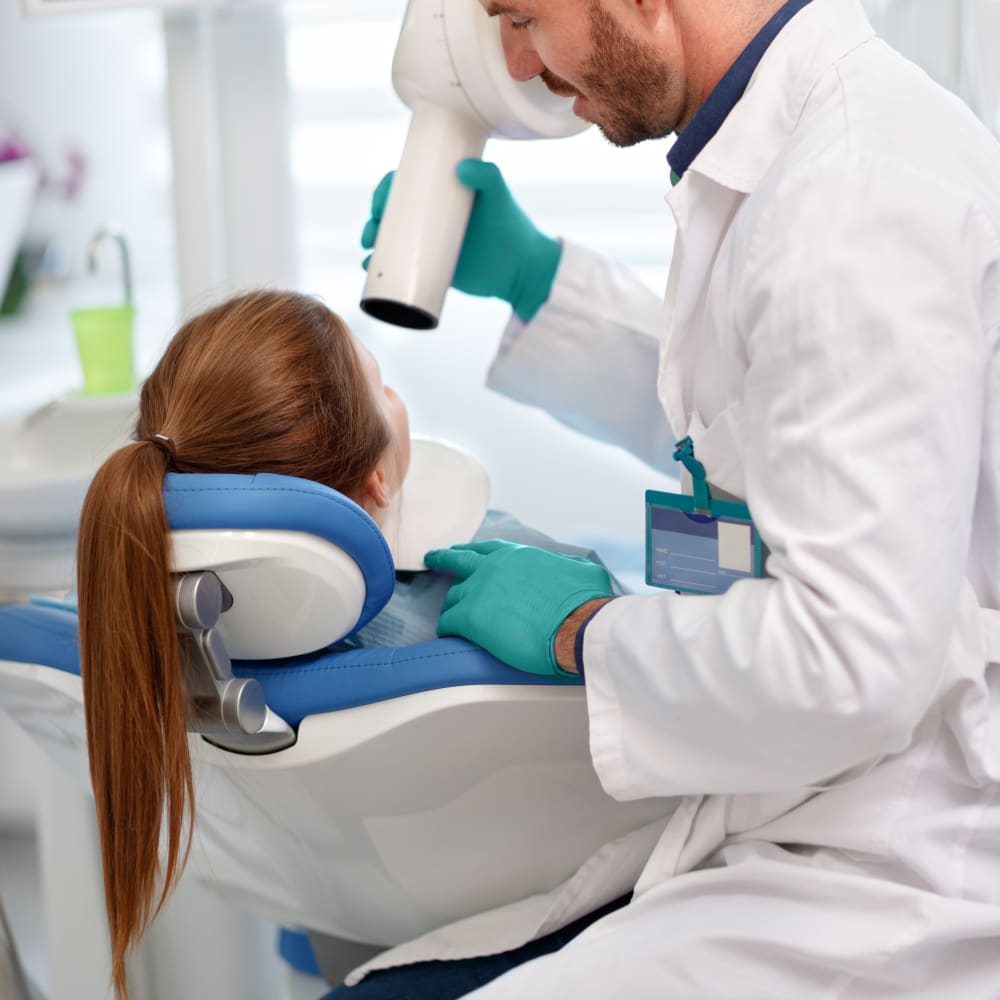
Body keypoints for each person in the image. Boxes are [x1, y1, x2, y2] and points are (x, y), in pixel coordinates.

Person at [345, 0, 1000, 997]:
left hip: (907, 859)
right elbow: (767, 424)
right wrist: (539, 283)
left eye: (522, 17)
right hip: (814, 796)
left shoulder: (851, 198)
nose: (519, 64)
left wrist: (587, 630)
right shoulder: (781, 156)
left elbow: (847, 665)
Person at [77, 289, 414, 1000]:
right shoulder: (452, 630)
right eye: (381, 382)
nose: (393, 391)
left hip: (314, 914)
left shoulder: (154, 636)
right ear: (376, 477)